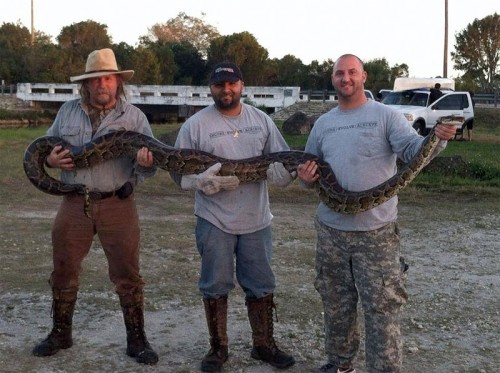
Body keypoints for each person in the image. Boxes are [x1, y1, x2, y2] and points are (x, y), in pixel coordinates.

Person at [296, 54, 457, 373]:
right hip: (331, 233)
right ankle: (340, 365)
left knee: (382, 308)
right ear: (333, 80)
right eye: (339, 73)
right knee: (336, 305)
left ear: (364, 76)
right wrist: (304, 178)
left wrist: (436, 140)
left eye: (352, 72)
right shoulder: (324, 123)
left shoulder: (386, 115)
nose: (346, 78)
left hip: (376, 235)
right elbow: (308, 168)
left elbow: (413, 152)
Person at [32, 48, 159, 365]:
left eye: (108, 78)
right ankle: (61, 333)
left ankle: (137, 339)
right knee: (63, 268)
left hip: (118, 202)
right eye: (96, 79)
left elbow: (149, 169)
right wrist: (49, 159)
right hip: (74, 203)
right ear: (86, 85)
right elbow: (45, 148)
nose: (102, 84)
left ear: (117, 82)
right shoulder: (67, 113)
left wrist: (144, 164)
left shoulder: (134, 118)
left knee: (127, 273)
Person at [170, 62, 296, 372]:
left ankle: (264, 345)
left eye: (232, 83)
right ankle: (218, 348)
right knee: (215, 283)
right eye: (219, 85)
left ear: (242, 85)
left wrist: (285, 175)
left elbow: (282, 161)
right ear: (210, 88)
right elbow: (176, 170)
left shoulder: (261, 120)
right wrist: (195, 181)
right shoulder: (195, 125)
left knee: (261, 283)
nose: (226, 90)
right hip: (214, 219)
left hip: (256, 219)